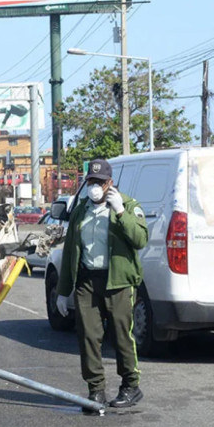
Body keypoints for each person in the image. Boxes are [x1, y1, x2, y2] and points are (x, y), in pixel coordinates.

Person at [55, 158, 148, 412]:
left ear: (110, 183)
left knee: (121, 336)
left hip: (117, 281)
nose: (94, 186)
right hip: (87, 281)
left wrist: (120, 212)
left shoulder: (127, 205)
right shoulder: (81, 210)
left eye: (99, 182)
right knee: (88, 336)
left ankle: (131, 385)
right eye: (90, 182)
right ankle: (95, 390)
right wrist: (63, 292)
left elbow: (140, 239)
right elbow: (70, 252)